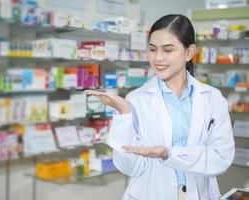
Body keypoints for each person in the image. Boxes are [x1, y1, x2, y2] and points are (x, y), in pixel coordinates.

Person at [85, 14, 235, 200]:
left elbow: (221, 158)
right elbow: (130, 167)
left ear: (189, 52)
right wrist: (124, 114)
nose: (158, 58)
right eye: (153, 49)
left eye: (168, 50)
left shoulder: (212, 98)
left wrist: (169, 154)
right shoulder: (136, 99)